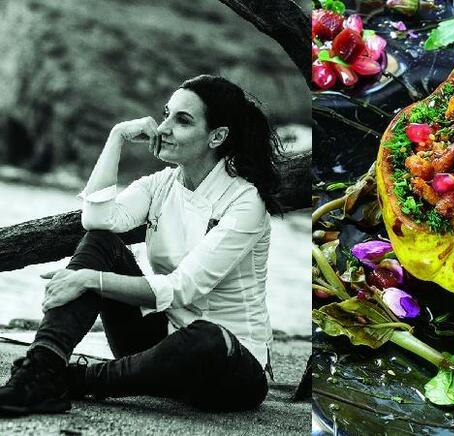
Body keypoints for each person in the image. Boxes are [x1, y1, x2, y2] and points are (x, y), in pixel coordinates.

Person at [0, 75, 282, 414]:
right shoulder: (161, 184)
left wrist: (88, 279)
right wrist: (116, 137)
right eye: (166, 114)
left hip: (228, 363)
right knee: (101, 243)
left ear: (217, 136)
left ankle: (75, 380)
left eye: (182, 120)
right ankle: (41, 368)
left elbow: (182, 289)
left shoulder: (245, 201)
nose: (164, 127)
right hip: (162, 345)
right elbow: (98, 220)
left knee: (205, 337)